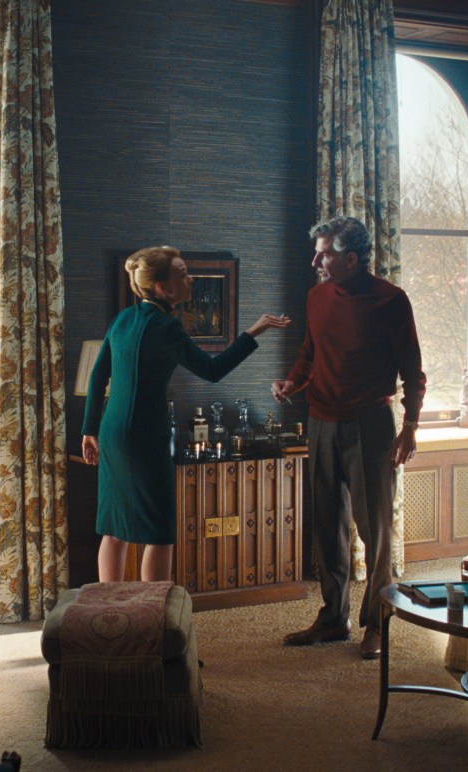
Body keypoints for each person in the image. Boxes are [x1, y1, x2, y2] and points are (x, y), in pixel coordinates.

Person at [82, 246, 290, 583]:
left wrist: (89, 429)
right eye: (182, 274)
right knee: (159, 530)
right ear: (162, 288)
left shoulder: (123, 319)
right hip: (146, 435)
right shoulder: (166, 327)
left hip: (112, 432)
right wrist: (254, 332)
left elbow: (97, 377)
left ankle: (109, 606)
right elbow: (212, 370)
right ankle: (154, 609)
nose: (190, 279)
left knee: (114, 527)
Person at [272, 216, 426, 659]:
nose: (315, 262)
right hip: (320, 422)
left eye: (324, 254)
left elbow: (412, 372)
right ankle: (333, 619)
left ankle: (376, 623)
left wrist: (410, 426)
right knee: (326, 526)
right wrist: (292, 382)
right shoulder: (317, 297)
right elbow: (310, 352)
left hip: (371, 426)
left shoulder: (391, 301)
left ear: (352, 258)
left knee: (375, 531)